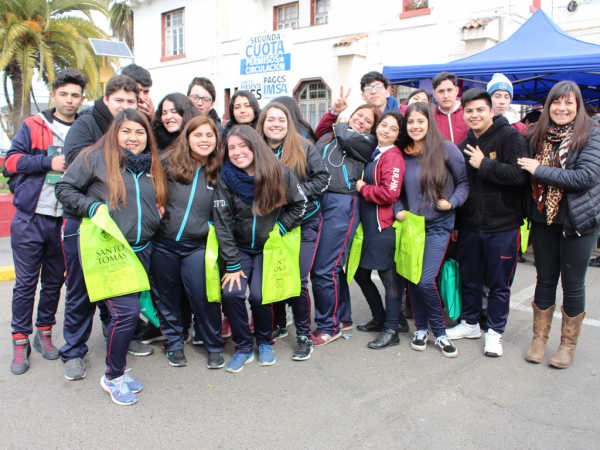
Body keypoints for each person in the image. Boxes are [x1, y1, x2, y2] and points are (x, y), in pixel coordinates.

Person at [55, 109, 167, 404]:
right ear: (115, 133)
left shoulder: (150, 165)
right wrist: (90, 207)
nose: (133, 138)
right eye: (126, 131)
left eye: (140, 132)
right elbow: (64, 187)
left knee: (127, 314)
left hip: (142, 249)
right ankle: (113, 376)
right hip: (111, 248)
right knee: (126, 313)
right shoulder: (95, 158)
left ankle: (118, 371)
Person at [6, 69, 87, 375]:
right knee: (26, 283)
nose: (69, 100)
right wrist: (46, 162)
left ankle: (44, 333)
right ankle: (19, 341)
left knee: (54, 282)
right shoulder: (33, 125)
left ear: (81, 99)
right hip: (30, 218)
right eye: (64, 94)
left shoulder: (84, 127)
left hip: (64, 221)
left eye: (75, 95)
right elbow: (10, 162)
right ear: (53, 95)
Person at [517, 81, 600, 369]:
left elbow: (585, 177)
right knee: (545, 279)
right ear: (548, 105)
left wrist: (540, 170)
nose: (561, 108)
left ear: (578, 106)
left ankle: (567, 345)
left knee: (573, 284)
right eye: (556, 102)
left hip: (579, 221)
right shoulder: (537, 135)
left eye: (568, 103)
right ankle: (539, 339)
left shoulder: (591, 134)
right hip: (544, 218)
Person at [213, 126, 307, 373]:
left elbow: (301, 205)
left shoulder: (278, 172)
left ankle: (265, 341)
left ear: (254, 145)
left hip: (269, 248)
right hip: (239, 249)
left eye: (242, 146)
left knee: (259, 295)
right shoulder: (226, 177)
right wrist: (231, 263)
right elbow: (222, 222)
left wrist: (280, 229)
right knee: (232, 293)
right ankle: (243, 346)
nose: (236, 152)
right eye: (231, 147)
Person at [446, 88, 529, 357]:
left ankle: (494, 332)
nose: (474, 115)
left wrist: (485, 164)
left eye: (480, 109)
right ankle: (470, 323)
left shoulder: (510, 137)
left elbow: (520, 175)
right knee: (469, 279)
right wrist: (457, 224)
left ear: (492, 110)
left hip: (503, 226)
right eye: (468, 110)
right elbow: (460, 186)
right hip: (470, 226)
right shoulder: (463, 143)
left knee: (498, 284)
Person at [393, 102, 469, 358]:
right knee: (414, 278)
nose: (415, 126)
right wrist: (398, 209)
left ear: (429, 123)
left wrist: (452, 202)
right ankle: (421, 329)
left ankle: (440, 333)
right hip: (412, 226)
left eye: (420, 121)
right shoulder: (401, 154)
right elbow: (394, 191)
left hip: (439, 225)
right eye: (410, 122)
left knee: (426, 279)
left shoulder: (447, 149)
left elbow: (464, 185)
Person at [149, 116, 225, 368]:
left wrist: (210, 227)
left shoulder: (221, 170)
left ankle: (214, 344)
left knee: (204, 297)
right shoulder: (167, 163)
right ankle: (173, 343)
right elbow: (147, 191)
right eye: (198, 135)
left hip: (198, 246)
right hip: (163, 245)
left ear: (216, 139)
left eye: (209, 135)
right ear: (187, 138)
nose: (204, 140)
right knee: (167, 298)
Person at [256, 102, 330, 360]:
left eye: (281, 120)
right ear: (262, 123)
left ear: (288, 123)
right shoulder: (255, 149)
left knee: (297, 280)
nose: (275, 124)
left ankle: (302, 335)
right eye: (270, 119)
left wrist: (293, 193)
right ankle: (278, 324)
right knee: (273, 273)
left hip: (303, 220)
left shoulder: (304, 146)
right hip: (272, 224)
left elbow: (322, 180)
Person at [311, 97, 380, 346]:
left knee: (324, 268)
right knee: (330, 266)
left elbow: (347, 136)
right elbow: (319, 134)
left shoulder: (365, 141)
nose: (360, 120)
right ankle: (342, 317)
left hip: (343, 203)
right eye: (358, 115)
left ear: (372, 129)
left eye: (367, 121)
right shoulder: (333, 133)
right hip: (320, 200)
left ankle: (328, 326)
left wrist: (341, 122)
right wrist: (334, 113)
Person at [354, 111, 407, 349]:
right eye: (383, 125)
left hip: (382, 227)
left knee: (389, 279)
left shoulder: (393, 156)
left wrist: (363, 188)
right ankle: (381, 317)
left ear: (398, 135)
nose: (386, 130)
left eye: (393, 128)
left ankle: (392, 328)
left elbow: (390, 194)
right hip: (368, 227)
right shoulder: (376, 152)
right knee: (360, 273)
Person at [432, 72, 469, 145]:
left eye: (449, 90)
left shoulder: (468, 113)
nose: (446, 96)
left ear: (456, 90)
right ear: (434, 94)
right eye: (441, 91)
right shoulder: (431, 119)